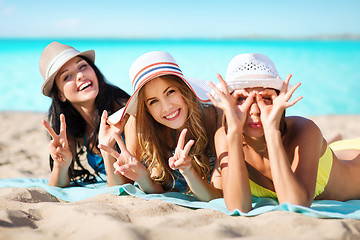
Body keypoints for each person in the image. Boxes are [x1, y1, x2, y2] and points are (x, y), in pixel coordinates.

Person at [208, 53, 360, 213]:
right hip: (331, 152)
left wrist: (271, 131)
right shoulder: (225, 136)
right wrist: (234, 131)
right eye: (241, 99)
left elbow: (296, 205)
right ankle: (333, 141)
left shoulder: (305, 129)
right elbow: (238, 207)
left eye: (265, 98)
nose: (254, 110)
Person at [99, 51, 222, 201]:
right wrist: (106, 149)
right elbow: (121, 190)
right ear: (146, 109)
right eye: (153, 101)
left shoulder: (212, 117)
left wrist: (188, 171)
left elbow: (217, 197)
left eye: (170, 92)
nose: (166, 107)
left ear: (184, 90)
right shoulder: (138, 126)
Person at [39, 41, 131, 187]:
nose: (80, 75)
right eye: (66, 77)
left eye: (82, 66)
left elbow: (126, 185)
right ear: (61, 95)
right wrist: (60, 165)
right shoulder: (72, 128)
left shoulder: (124, 113)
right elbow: (57, 187)